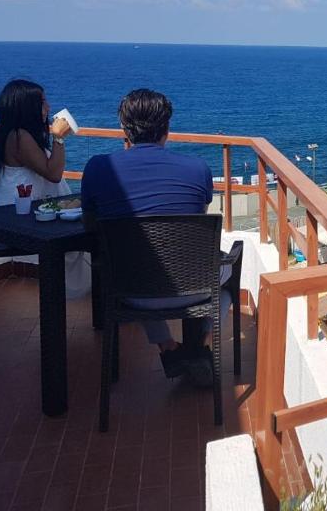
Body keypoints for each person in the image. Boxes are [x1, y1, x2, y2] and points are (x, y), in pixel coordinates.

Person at [81, 89, 238, 386]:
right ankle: (200, 345)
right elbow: (194, 215)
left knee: (137, 264)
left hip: (129, 291)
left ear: (124, 131)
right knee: (228, 284)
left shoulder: (98, 168)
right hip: (197, 287)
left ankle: (168, 347)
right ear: (167, 128)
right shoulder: (197, 168)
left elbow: (91, 224)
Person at [0, 79, 90, 297]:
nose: (48, 107)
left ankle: (84, 289)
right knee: (86, 234)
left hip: (22, 211)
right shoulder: (19, 137)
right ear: (27, 107)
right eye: (42, 102)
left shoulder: (16, 134)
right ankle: (95, 294)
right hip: (18, 217)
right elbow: (53, 174)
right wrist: (58, 138)